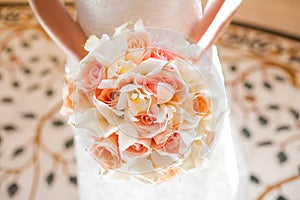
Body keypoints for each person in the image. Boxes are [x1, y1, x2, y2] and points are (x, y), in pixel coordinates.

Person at [28, 1, 244, 200]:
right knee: (111, 164)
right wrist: (95, 64)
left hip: (190, 53)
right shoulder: (93, 67)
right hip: (93, 62)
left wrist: (192, 54)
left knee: (191, 161)